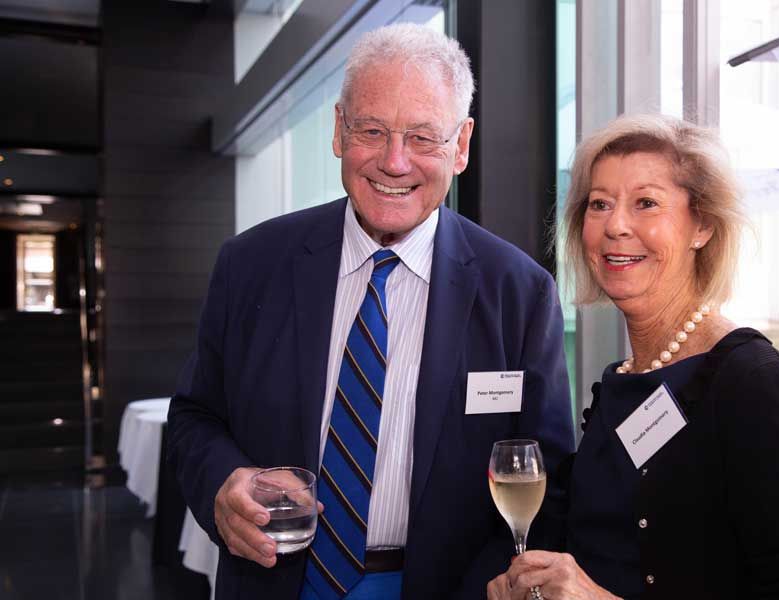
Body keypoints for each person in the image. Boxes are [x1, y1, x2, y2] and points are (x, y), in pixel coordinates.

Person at [167, 22, 574, 600]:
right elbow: (194, 417)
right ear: (339, 130)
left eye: (424, 138)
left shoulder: (520, 293)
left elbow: (544, 477)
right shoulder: (249, 265)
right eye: (372, 130)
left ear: (461, 146)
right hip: (274, 580)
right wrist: (221, 483)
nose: (394, 162)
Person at [487, 114, 779, 600]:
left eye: (646, 203)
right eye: (599, 204)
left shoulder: (753, 383)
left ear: (702, 226)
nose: (616, 226)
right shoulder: (622, 381)